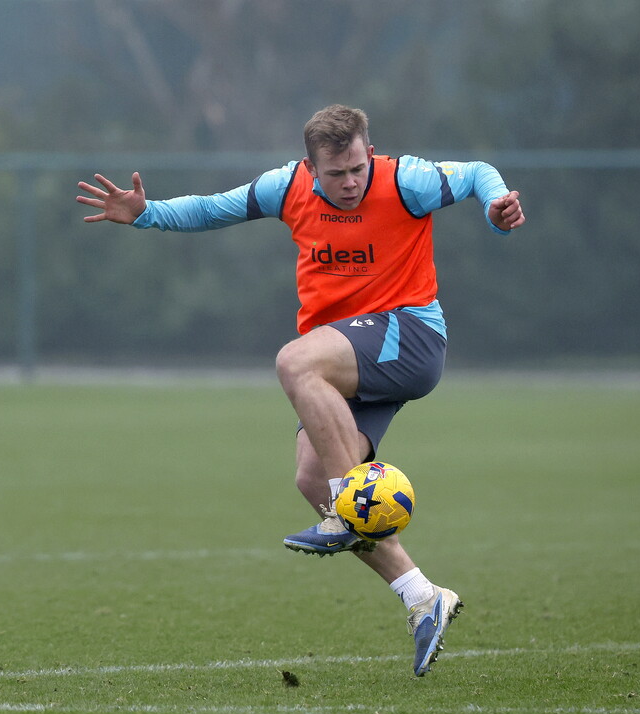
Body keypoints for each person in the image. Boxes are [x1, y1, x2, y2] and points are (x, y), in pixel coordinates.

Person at [76, 104, 525, 676]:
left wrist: (496, 207)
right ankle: (421, 596)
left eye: (358, 167)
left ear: (369, 152)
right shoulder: (285, 188)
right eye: (336, 174)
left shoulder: (405, 180)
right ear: (311, 169)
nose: (351, 182)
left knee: (294, 363)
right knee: (311, 477)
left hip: (409, 333)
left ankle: (346, 509)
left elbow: (479, 172)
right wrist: (145, 214)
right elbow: (213, 209)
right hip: (348, 357)